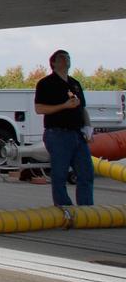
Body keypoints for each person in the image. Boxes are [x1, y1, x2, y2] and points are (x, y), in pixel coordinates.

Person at [34, 49, 94, 206]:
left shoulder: (75, 83)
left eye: (68, 57)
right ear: (53, 62)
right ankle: (64, 208)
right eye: (62, 58)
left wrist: (88, 127)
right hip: (58, 134)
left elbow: (83, 108)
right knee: (60, 175)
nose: (67, 60)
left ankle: (86, 209)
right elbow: (39, 108)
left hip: (78, 134)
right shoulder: (46, 83)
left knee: (86, 173)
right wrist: (64, 106)